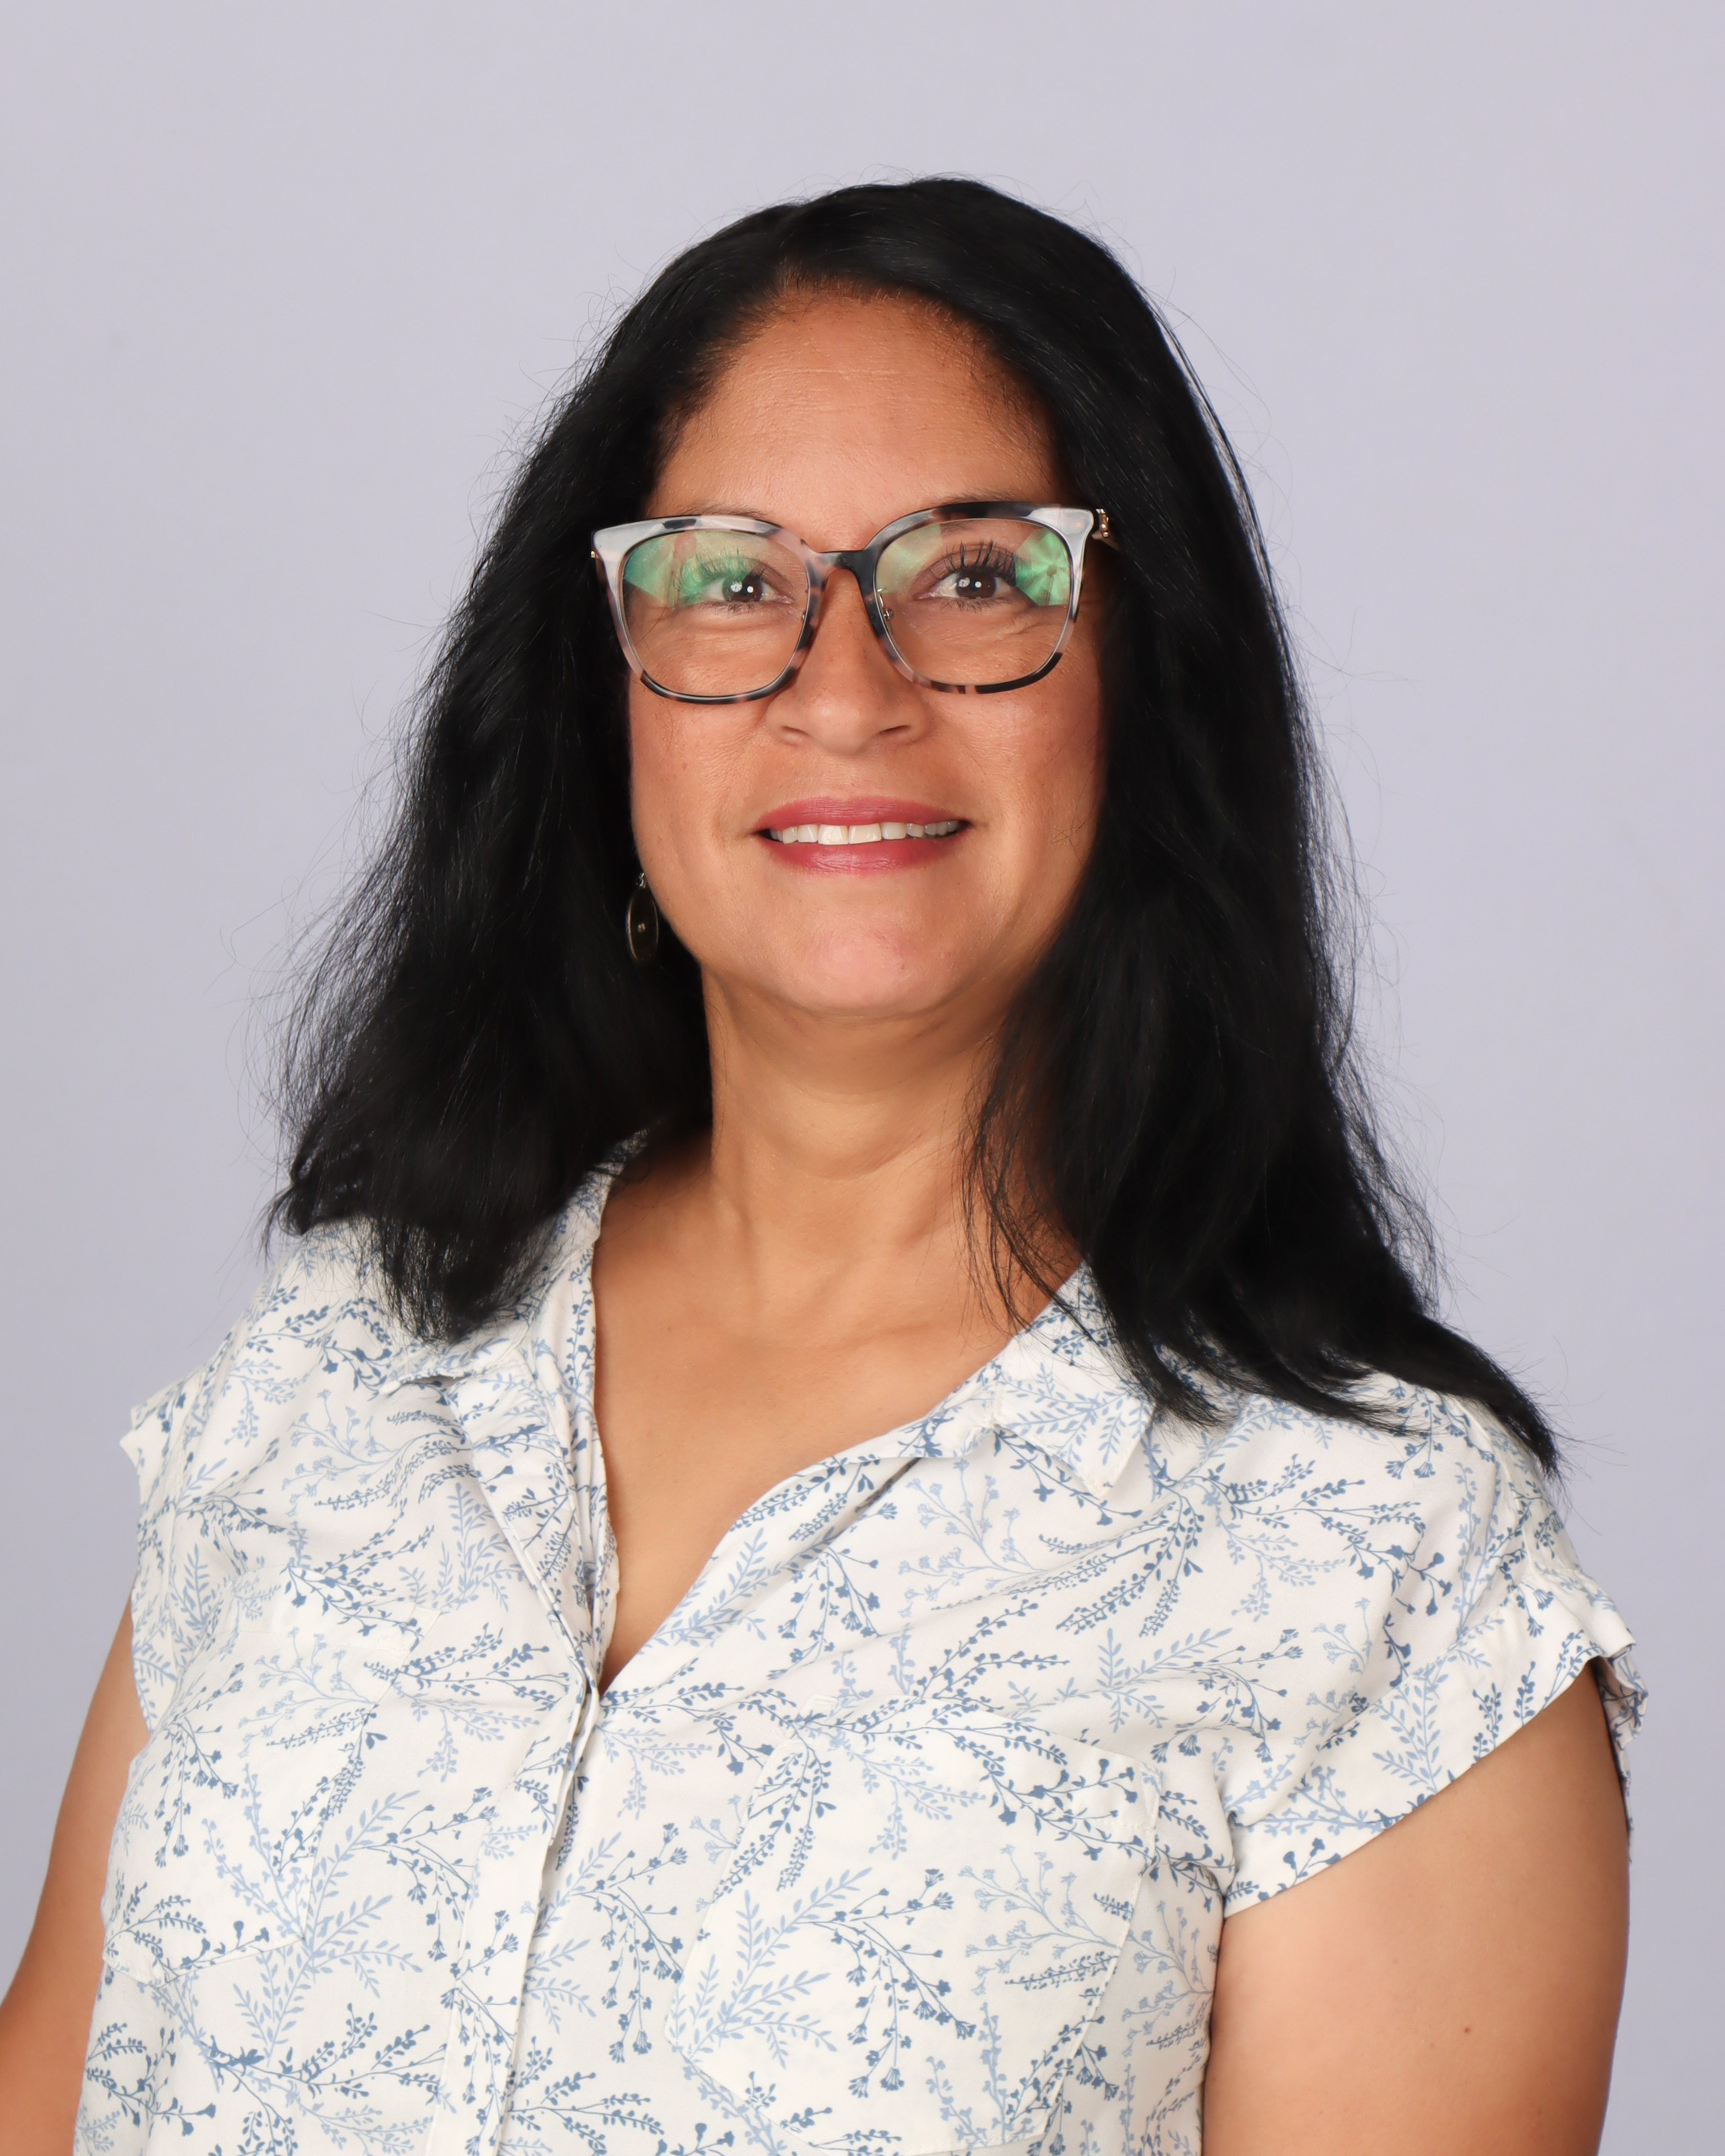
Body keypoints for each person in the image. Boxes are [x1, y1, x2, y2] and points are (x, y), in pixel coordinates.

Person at [0, 179, 1641, 2156]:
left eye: (977, 575)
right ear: (604, 686)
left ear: (1144, 678)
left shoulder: (1381, 1567)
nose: (845, 688)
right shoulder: (339, 1365)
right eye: (726, 580)